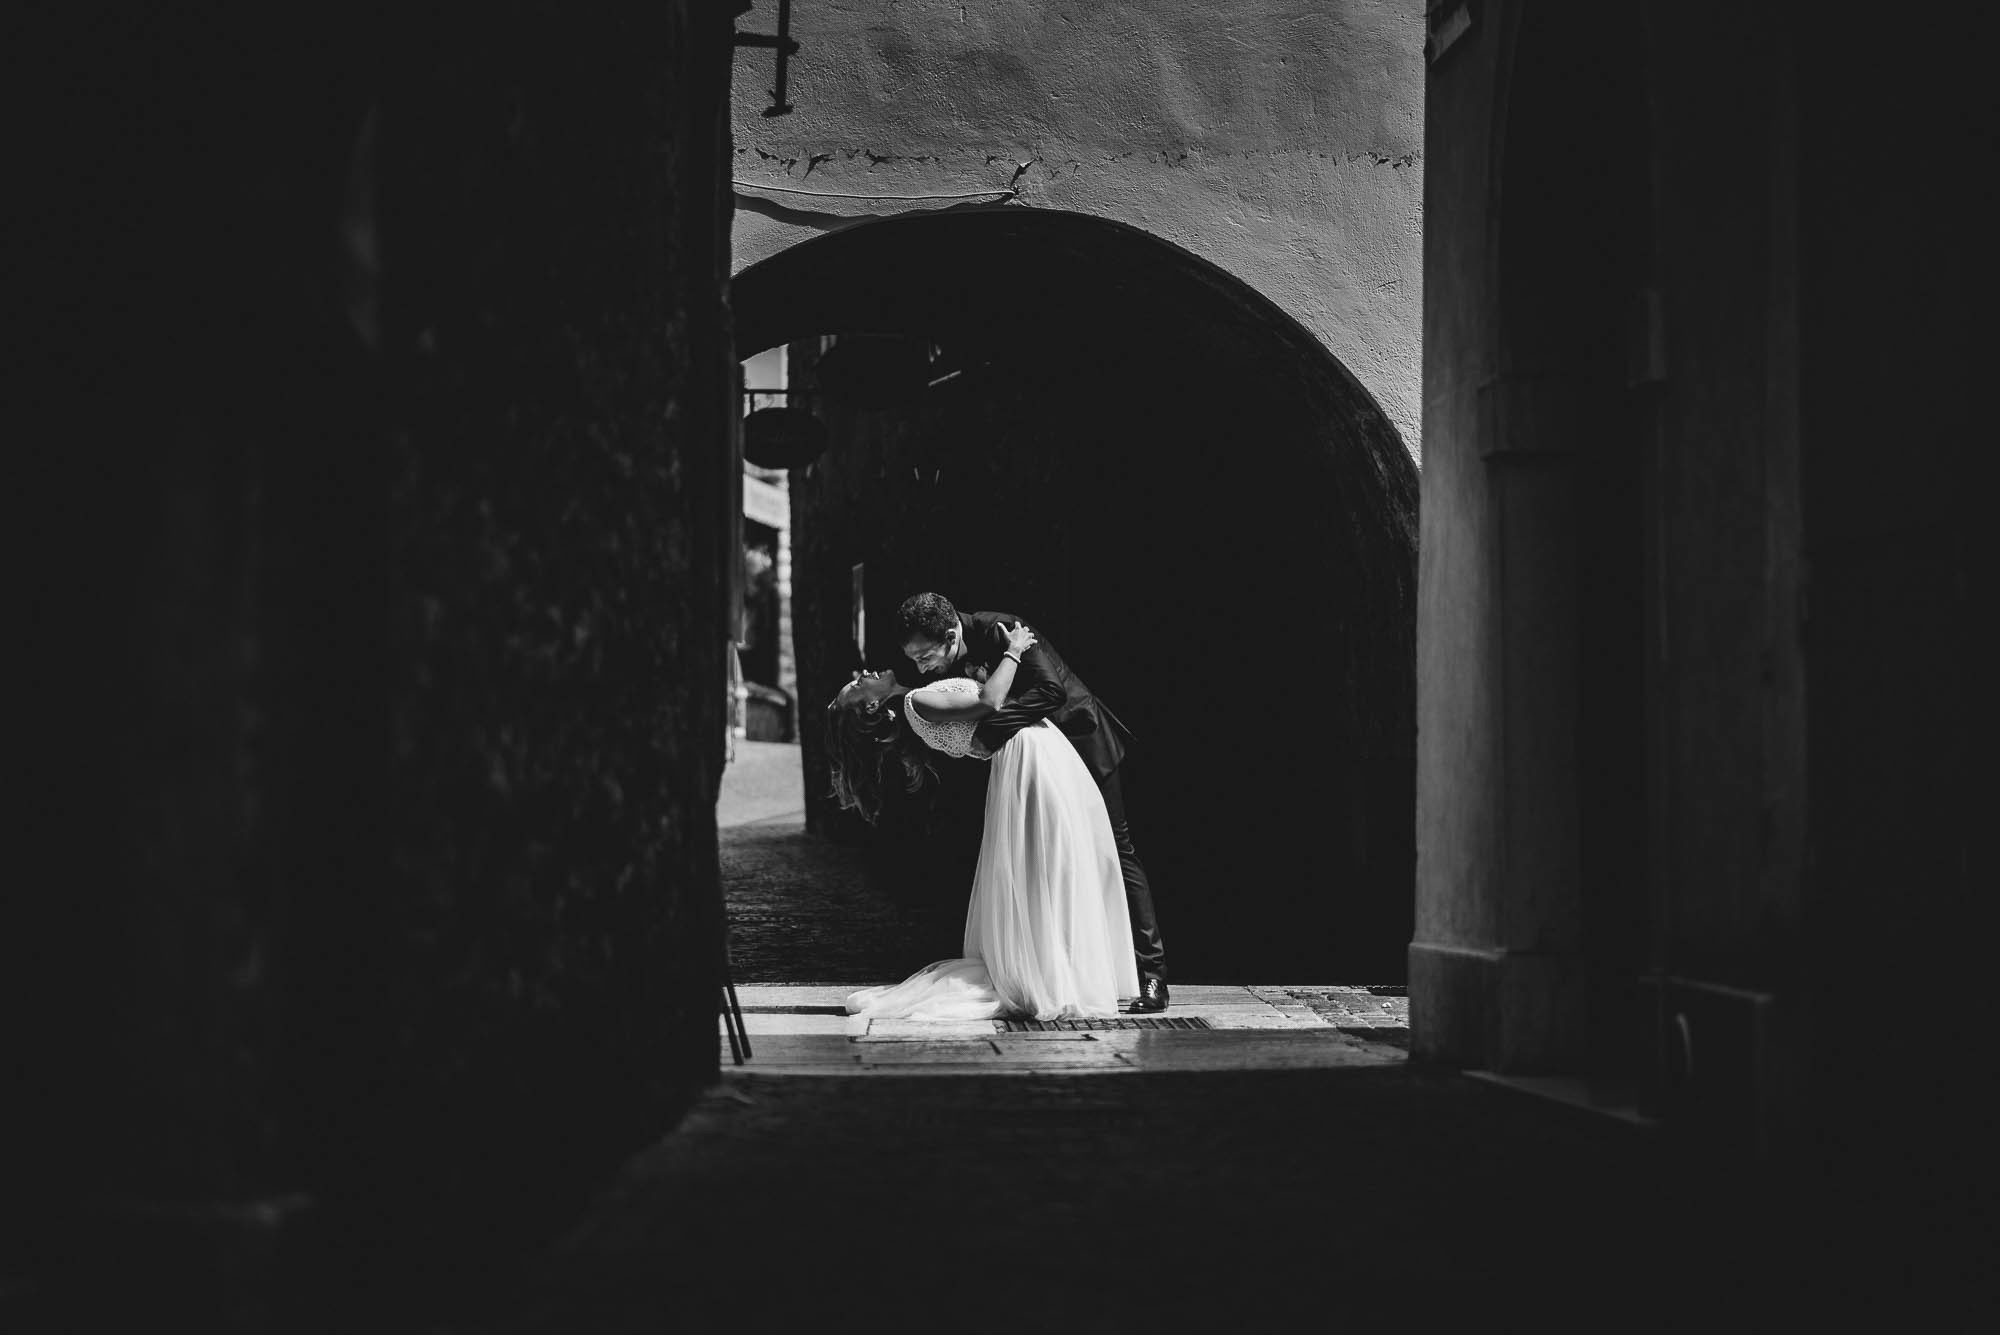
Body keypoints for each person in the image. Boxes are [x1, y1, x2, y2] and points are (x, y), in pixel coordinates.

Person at [827, 621, 1138, 1021]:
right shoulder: (917, 703)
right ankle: (1055, 976)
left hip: (1031, 752)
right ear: (871, 706)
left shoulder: (917, 699)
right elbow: (991, 702)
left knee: (1057, 862)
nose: (862, 675)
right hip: (1027, 757)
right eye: (856, 686)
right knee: (1053, 862)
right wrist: (1015, 648)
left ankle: (1062, 969)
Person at [897, 591, 1168, 1012]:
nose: (921, 668)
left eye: (926, 656)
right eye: (914, 659)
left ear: (951, 635)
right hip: (1036, 764)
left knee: (1115, 851)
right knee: (1051, 862)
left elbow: (1052, 691)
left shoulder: (1003, 629)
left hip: (1082, 744)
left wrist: (989, 735)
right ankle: (1069, 970)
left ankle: (1152, 976)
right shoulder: (951, 659)